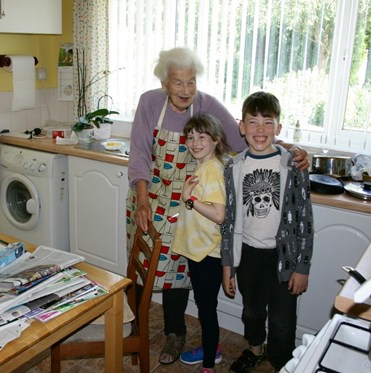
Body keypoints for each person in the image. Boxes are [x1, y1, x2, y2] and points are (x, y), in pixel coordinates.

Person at [126, 47, 310, 365]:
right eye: (178, 83)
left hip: (192, 203)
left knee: (178, 275)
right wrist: (143, 200)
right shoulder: (149, 102)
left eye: (191, 81)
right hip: (151, 197)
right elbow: (139, 152)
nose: (186, 90)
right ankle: (136, 330)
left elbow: (246, 140)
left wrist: (292, 149)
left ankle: (174, 333)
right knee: (144, 268)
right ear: (164, 83)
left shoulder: (208, 105)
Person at [221, 91, 314, 372]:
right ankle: (255, 349)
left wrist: (303, 266)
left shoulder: (293, 165)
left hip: (284, 258)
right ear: (241, 126)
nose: (260, 130)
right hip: (248, 255)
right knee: (251, 311)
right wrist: (228, 265)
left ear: (279, 128)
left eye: (268, 122)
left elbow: (304, 219)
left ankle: (282, 362)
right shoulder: (234, 167)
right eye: (253, 122)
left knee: (283, 320)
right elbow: (228, 221)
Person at [172, 113, 229, 373]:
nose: (195, 143)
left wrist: (189, 199)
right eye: (191, 137)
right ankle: (213, 349)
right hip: (201, 252)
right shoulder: (204, 166)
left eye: (202, 137)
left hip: (208, 254)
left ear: (216, 139)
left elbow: (219, 214)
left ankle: (208, 364)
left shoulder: (212, 170)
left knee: (206, 310)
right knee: (205, 306)